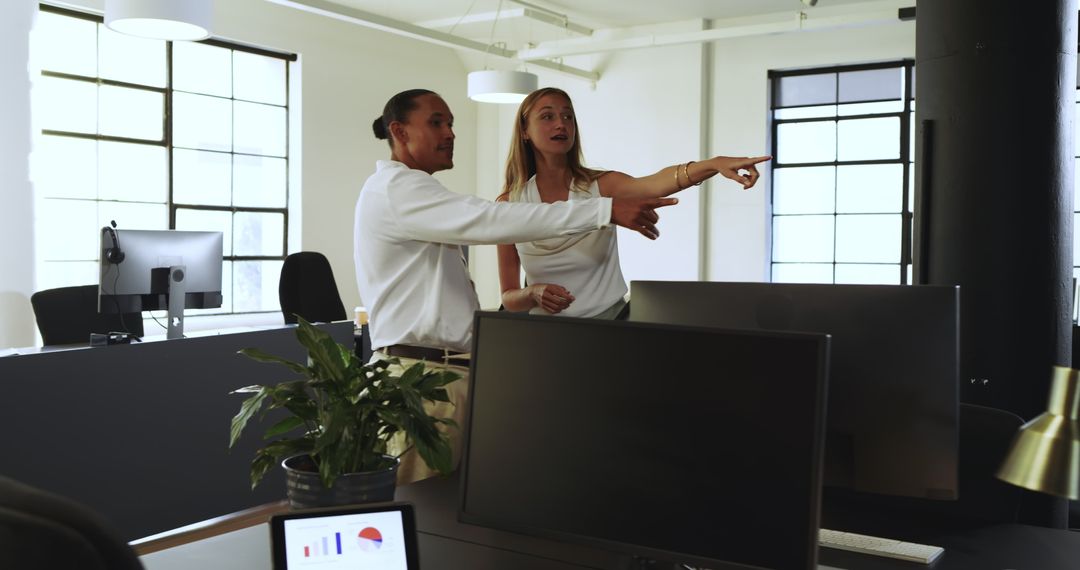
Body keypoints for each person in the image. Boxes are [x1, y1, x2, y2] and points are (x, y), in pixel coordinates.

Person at [353, 88, 677, 483]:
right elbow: (494, 220)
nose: (451, 132)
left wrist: (706, 166)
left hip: (453, 373)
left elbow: (651, 184)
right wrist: (604, 211)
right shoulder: (400, 190)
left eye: (451, 122)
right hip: (422, 378)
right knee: (421, 507)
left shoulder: (415, 193)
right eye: (437, 122)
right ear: (399, 132)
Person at [497, 87, 770, 319]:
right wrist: (532, 293)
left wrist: (713, 164)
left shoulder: (601, 185)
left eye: (568, 116)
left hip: (612, 321)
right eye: (548, 116)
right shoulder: (509, 203)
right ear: (524, 131)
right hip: (544, 334)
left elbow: (655, 184)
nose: (561, 124)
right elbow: (509, 297)